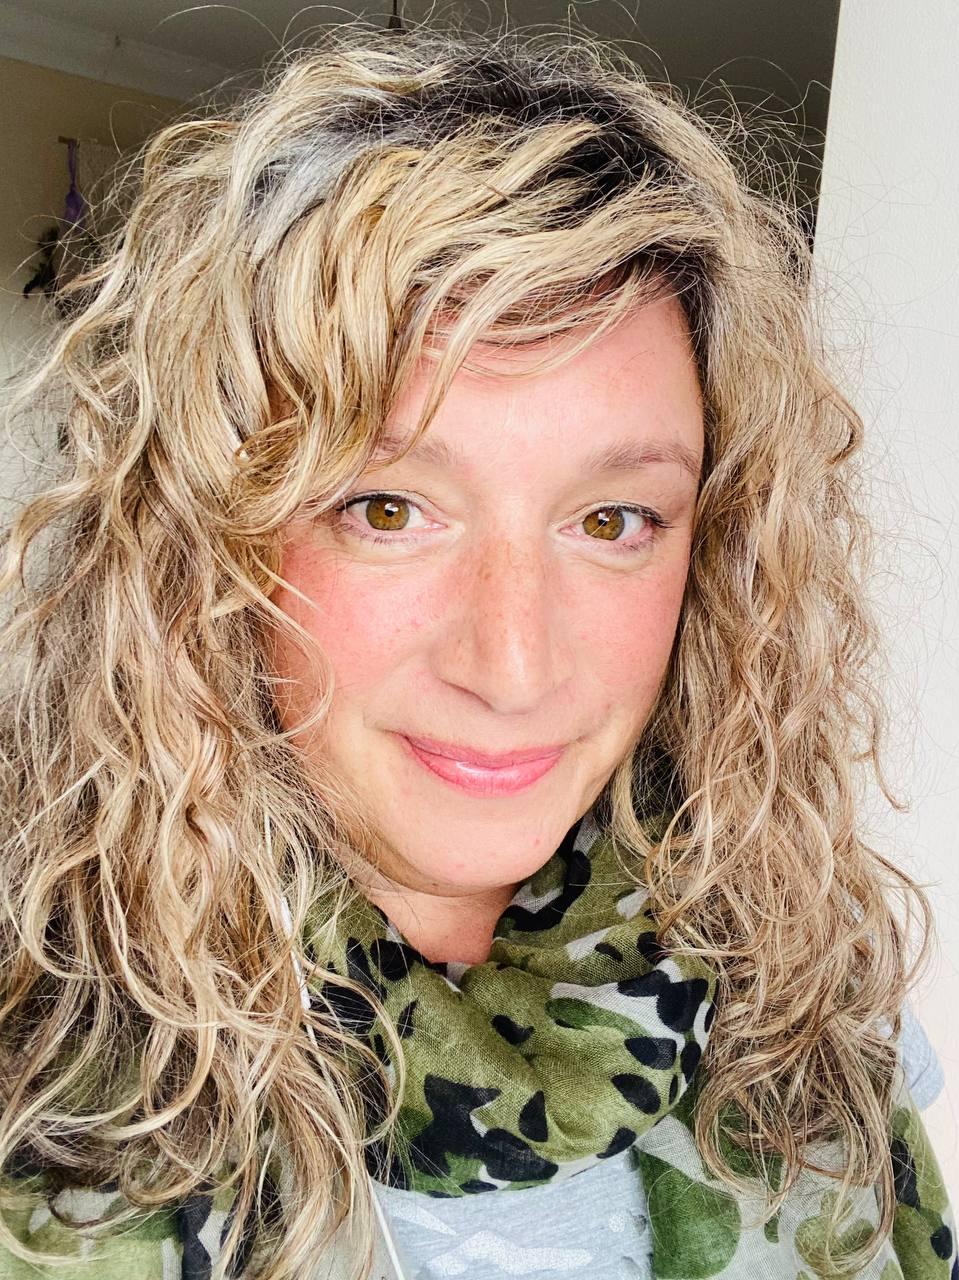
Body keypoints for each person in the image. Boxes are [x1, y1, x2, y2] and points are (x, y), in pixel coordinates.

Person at [0, 22, 953, 1280]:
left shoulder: (807, 1001)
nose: (512, 665)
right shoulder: (38, 1063)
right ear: (202, 546)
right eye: (386, 508)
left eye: (612, 521)